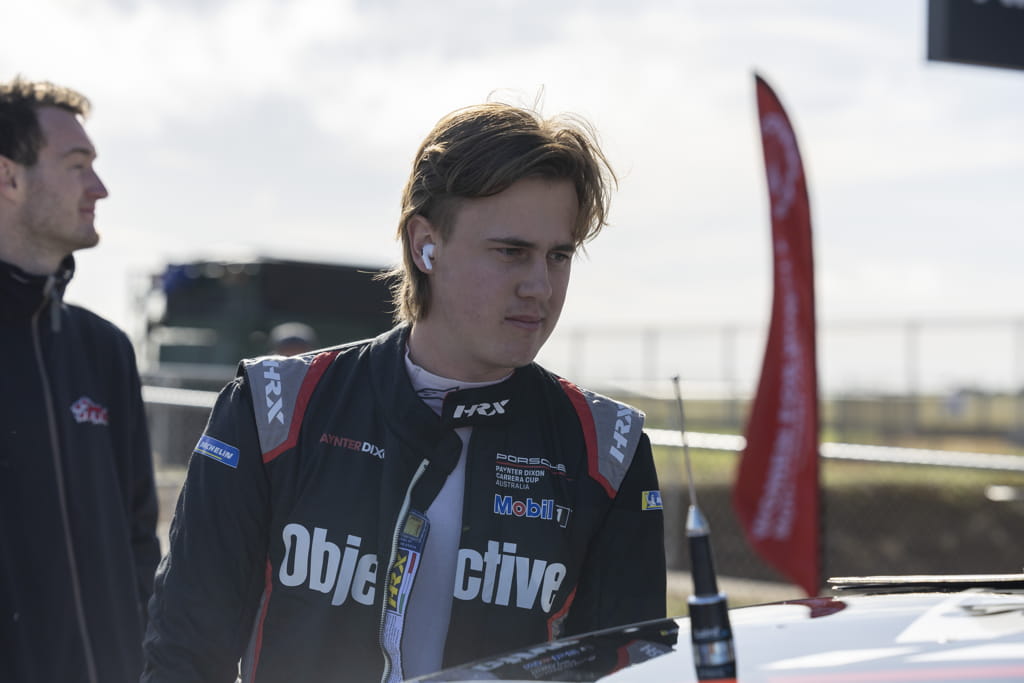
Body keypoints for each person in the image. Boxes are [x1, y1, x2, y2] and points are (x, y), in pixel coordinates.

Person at [143, 101, 666, 683]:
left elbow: (629, 669)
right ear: (426, 244)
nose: (540, 285)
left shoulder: (607, 447)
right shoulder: (274, 406)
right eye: (511, 251)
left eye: (559, 256)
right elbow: (185, 650)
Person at [0, 77, 161, 683]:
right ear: (9, 177)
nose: (100, 188)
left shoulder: (104, 350)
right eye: (77, 165)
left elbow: (140, 541)